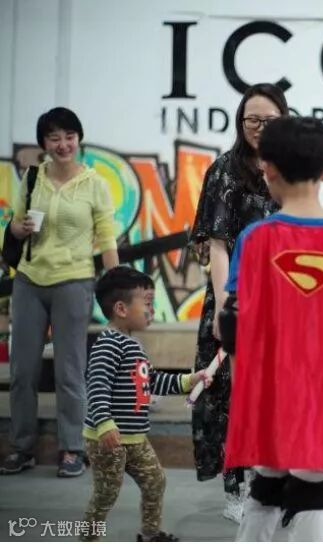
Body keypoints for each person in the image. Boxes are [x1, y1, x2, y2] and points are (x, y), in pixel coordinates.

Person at [221, 117, 323, 542]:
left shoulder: (255, 239)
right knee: (313, 485)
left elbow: (233, 323)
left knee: (267, 481)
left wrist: (242, 390)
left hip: (269, 390)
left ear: (268, 168)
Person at [1, 107, 119, 478]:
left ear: (78, 139)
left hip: (74, 281)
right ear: (44, 143)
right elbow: (15, 223)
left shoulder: (95, 183)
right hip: (29, 280)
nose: (63, 144)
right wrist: (18, 229)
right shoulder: (33, 176)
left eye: (69, 136)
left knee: (70, 371)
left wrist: (117, 282)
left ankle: (72, 448)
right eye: (54, 138)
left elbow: (107, 236)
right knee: (22, 370)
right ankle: (22, 447)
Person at [189, 82, 288, 522]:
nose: (260, 127)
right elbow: (216, 244)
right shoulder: (224, 171)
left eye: (269, 120)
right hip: (236, 295)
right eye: (252, 119)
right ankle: (236, 489)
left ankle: (273, 482)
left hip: (282, 302)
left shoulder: (290, 168)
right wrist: (226, 304)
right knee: (232, 394)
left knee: (276, 395)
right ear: (240, 121)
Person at [82, 266, 210, 542]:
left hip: (136, 438)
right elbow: (97, 386)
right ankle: (88, 538)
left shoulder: (133, 345)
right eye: (148, 303)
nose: (152, 310)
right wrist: (104, 424)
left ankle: (150, 534)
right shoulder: (108, 345)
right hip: (109, 440)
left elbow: (152, 381)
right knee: (106, 494)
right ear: (121, 308)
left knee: (155, 481)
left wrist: (189, 380)